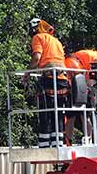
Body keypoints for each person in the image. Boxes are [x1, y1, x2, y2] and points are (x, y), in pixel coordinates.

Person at [26, 18, 68, 148]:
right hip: (62, 80)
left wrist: (27, 73)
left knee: (45, 112)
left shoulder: (38, 38)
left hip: (49, 79)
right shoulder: (56, 41)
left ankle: (44, 145)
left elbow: (37, 57)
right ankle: (58, 143)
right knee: (58, 113)